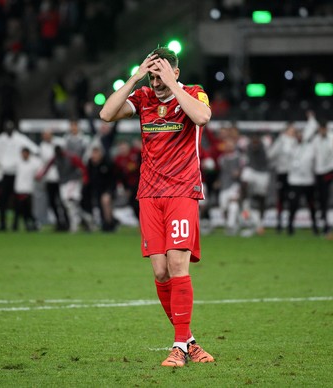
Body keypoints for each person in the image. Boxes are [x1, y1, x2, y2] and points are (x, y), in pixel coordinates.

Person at [99, 46, 214, 367]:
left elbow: (203, 117)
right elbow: (106, 114)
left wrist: (174, 86)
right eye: (152, 74)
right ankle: (189, 341)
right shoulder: (143, 97)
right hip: (149, 194)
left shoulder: (193, 93)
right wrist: (135, 78)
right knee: (161, 272)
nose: (156, 80)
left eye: (160, 73)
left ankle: (178, 346)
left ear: (175, 72)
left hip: (182, 192)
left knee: (178, 267)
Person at [0, 120, 39, 231]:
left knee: (20, 203)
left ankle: (20, 224)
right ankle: (3, 224)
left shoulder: (20, 139)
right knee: (1, 200)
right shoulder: (0, 139)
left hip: (17, 174)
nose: (8, 131)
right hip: (5, 174)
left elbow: (35, 149)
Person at [311, 120, 333, 235]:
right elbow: (313, 155)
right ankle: (324, 221)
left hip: (331, 170)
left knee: (329, 195)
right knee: (322, 198)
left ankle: (329, 220)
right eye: (321, 128)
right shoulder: (315, 139)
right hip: (319, 172)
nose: (322, 131)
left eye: (324, 128)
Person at [287, 127, 318, 236]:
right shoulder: (291, 146)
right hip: (295, 181)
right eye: (297, 135)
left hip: (308, 181)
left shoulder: (310, 147)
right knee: (293, 205)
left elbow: (314, 161)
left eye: (301, 134)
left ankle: (315, 227)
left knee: (311, 205)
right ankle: (290, 227)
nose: (299, 136)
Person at [267, 123, 296, 233]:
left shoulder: (296, 142)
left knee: (292, 200)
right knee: (281, 199)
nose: (292, 133)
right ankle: (279, 223)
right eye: (290, 130)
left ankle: (290, 224)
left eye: (293, 131)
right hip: (282, 173)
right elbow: (271, 155)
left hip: (294, 175)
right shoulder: (280, 141)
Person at [38, 128, 69, 231]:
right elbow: (44, 162)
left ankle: (67, 222)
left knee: (63, 201)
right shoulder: (42, 146)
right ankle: (59, 222)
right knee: (52, 202)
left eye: (47, 134)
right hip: (49, 178)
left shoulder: (60, 142)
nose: (46, 137)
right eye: (44, 135)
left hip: (61, 178)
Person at [216, 138, 242, 235]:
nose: (228, 147)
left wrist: (239, 172)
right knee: (223, 207)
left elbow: (243, 168)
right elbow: (221, 171)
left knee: (233, 204)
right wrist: (218, 181)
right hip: (224, 185)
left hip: (234, 185)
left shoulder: (238, 157)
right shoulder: (221, 158)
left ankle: (231, 226)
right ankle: (232, 223)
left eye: (230, 145)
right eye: (227, 145)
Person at [13, 147, 42, 231]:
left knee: (27, 210)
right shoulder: (18, 163)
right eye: (22, 153)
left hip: (28, 190)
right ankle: (17, 226)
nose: (24, 155)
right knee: (18, 209)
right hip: (19, 189)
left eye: (25, 153)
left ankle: (33, 224)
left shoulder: (33, 164)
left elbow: (39, 171)